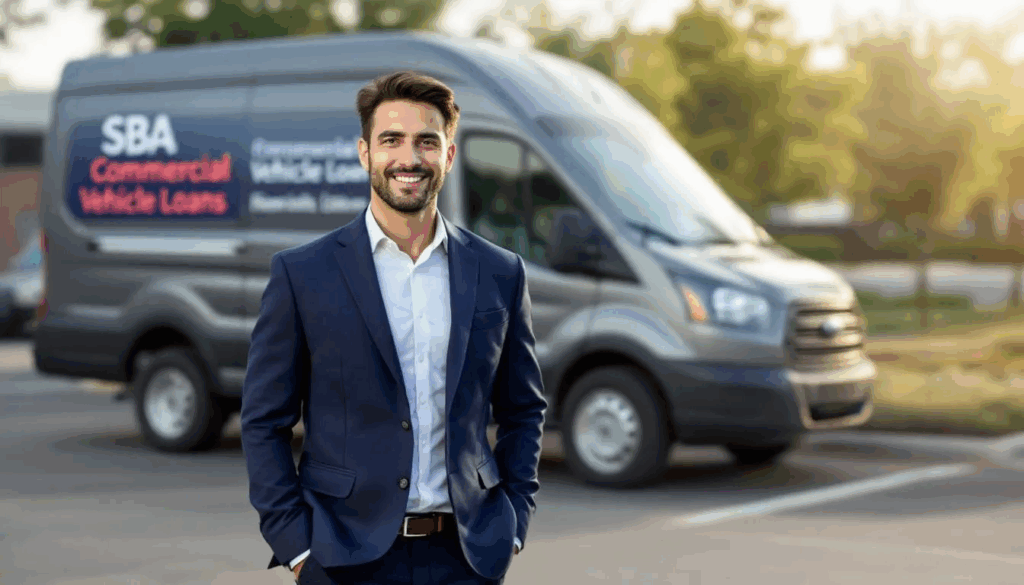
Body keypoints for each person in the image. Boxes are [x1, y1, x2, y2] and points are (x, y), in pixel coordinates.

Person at [240, 71, 548, 585]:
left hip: (468, 557)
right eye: (391, 140)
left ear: (449, 155)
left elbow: (524, 409)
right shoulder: (302, 274)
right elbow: (263, 421)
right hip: (342, 557)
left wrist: (513, 522)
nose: (409, 158)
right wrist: (296, 546)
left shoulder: (500, 272)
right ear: (365, 153)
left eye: (426, 141)